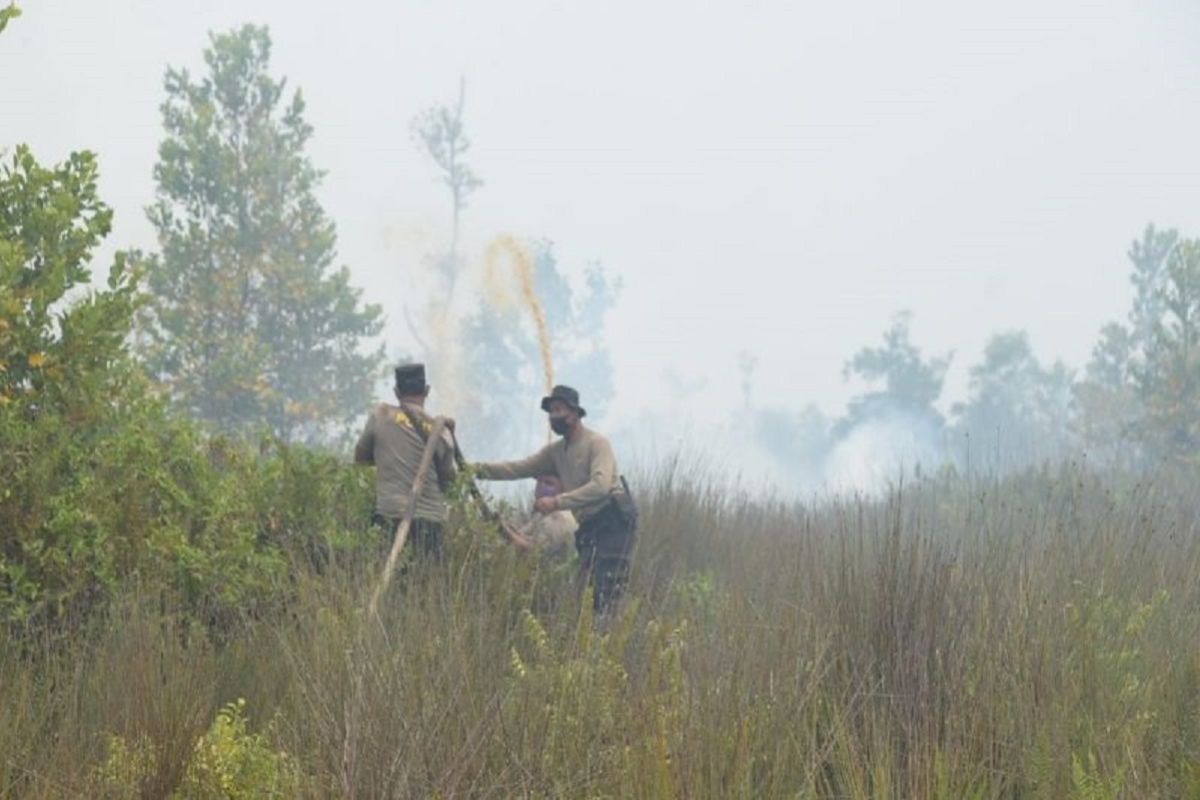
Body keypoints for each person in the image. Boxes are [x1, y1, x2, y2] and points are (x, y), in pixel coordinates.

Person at [475, 385, 637, 613]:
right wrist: (473, 470)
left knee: (608, 587)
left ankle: (613, 638)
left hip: (613, 522)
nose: (554, 417)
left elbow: (601, 486)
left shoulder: (597, 444)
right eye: (551, 412)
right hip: (588, 526)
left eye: (558, 410)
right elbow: (517, 468)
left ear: (574, 413)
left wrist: (556, 502)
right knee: (586, 590)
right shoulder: (555, 453)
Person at [354, 363, 456, 558]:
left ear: (396, 392)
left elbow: (360, 458)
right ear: (426, 391)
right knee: (426, 584)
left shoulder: (381, 415)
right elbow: (448, 483)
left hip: (389, 517)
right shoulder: (442, 431)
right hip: (431, 523)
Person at [520, 475, 578, 555]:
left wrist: (507, 533)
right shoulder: (543, 514)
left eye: (549, 483)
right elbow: (523, 535)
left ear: (563, 490)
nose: (541, 487)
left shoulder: (558, 518)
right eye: (539, 481)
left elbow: (535, 551)